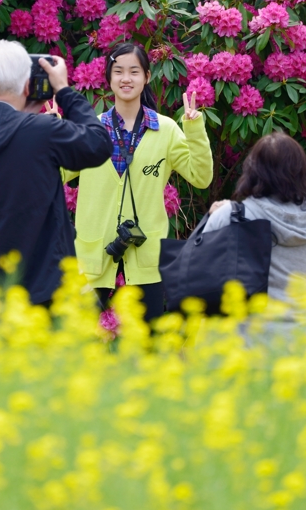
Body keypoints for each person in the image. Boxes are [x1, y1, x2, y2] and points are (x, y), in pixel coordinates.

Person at [0, 40, 113, 305]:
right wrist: (64, 91)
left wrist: (21, 115)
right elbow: (98, 144)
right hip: (40, 290)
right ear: (26, 86)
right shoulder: (41, 132)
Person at [61, 42, 213, 322]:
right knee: (80, 346)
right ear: (109, 78)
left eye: (134, 71)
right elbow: (55, 174)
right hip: (93, 254)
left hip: (146, 257)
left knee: (148, 347)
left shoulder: (165, 130)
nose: (126, 78)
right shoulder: (91, 130)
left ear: (147, 77)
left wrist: (193, 128)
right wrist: (52, 133)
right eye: (118, 71)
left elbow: (201, 177)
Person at [203, 132, 306, 337]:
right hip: (302, 347)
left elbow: (200, 259)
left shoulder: (229, 217)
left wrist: (217, 214)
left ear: (251, 172)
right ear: (303, 172)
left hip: (244, 348)